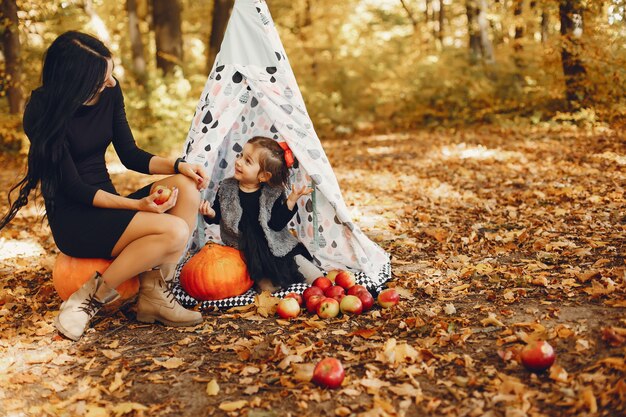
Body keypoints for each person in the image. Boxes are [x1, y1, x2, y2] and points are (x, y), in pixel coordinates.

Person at [0, 31, 206, 341]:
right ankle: (85, 301)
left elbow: (130, 155)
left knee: (187, 187)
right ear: (75, 80)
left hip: (109, 206)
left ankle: (154, 296)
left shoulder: (110, 92)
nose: (110, 83)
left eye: (110, 75)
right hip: (75, 218)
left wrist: (178, 165)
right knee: (173, 231)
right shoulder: (42, 110)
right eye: (101, 78)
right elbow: (74, 187)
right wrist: (137, 206)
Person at [200, 136, 324, 292]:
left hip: (276, 245)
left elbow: (276, 224)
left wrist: (291, 200)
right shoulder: (227, 188)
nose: (238, 161)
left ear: (264, 176)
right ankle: (266, 282)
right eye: (240, 155)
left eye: (247, 161)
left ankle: (303, 275)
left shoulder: (273, 192)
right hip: (247, 250)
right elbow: (219, 217)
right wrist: (210, 212)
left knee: (317, 278)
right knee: (268, 289)